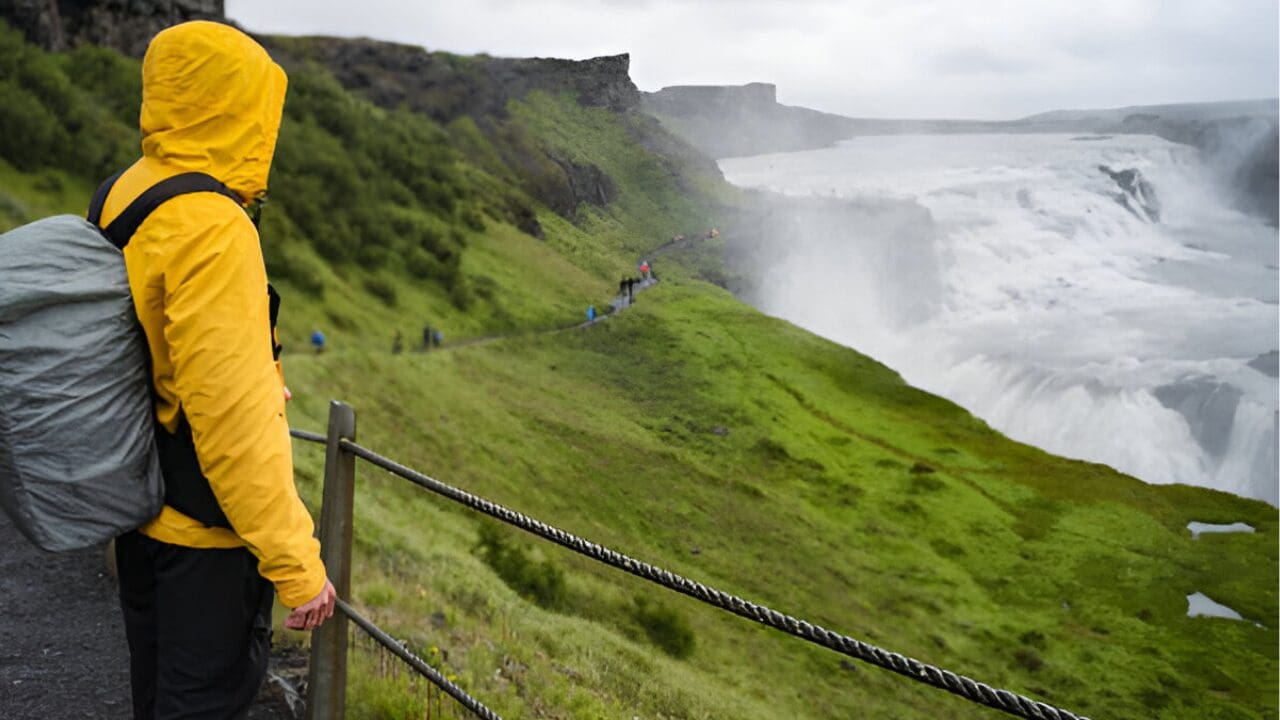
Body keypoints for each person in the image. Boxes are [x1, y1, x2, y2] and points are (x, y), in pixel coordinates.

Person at [94, 22, 334, 720]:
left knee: (158, 697)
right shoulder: (214, 226)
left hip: (139, 510)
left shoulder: (129, 192)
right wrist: (297, 566)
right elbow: (232, 419)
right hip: (203, 538)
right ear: (244, 107)